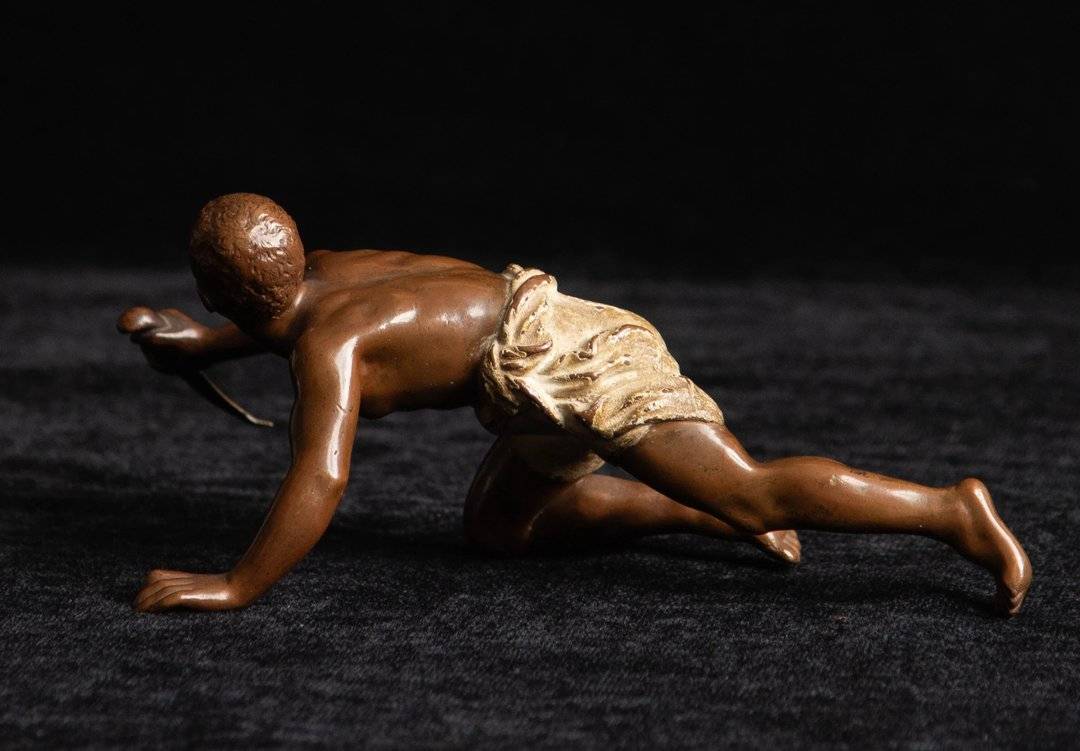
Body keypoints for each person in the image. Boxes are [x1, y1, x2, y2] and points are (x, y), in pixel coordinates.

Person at [118, 193, 1031, 616]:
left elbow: (320, 477)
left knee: (751, 486)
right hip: (526, 389)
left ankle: (950, 512)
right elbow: (274, 319)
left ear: (215, 290)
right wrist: (198, 346)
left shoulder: (331, 345)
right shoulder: (325, 274)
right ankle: (703, 514)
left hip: (579, 360)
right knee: (498, 531)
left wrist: (239, 583)